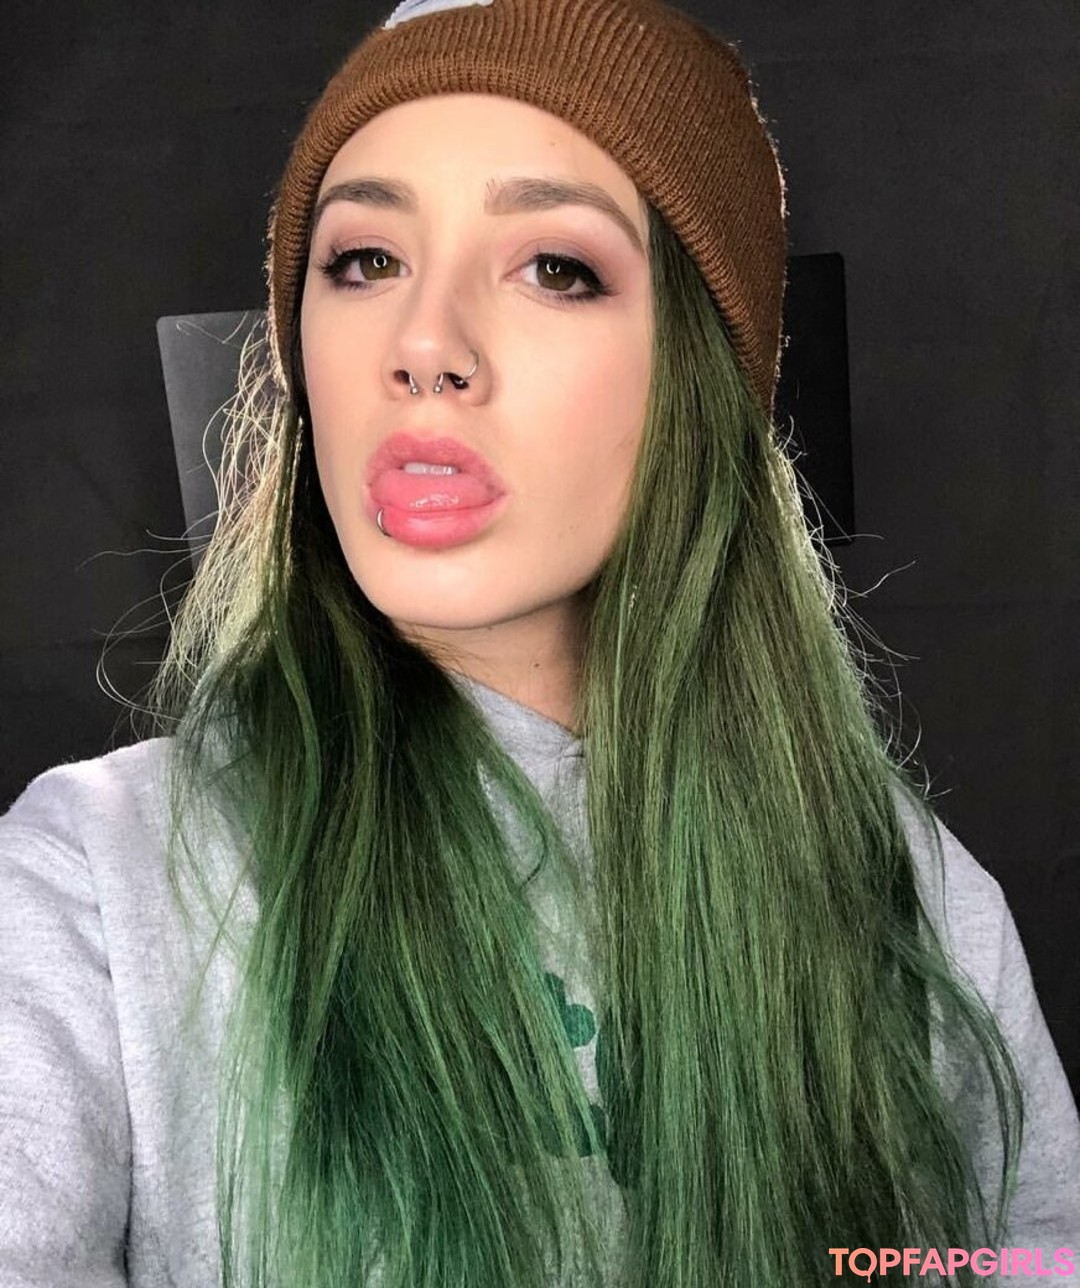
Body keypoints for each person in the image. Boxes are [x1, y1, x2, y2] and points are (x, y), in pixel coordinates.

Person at [1, 0, 1077, 1283]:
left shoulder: (913, 898)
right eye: (365, 260)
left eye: (556, 268)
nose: (425, 347)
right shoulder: (94, 886)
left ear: (697, 374)